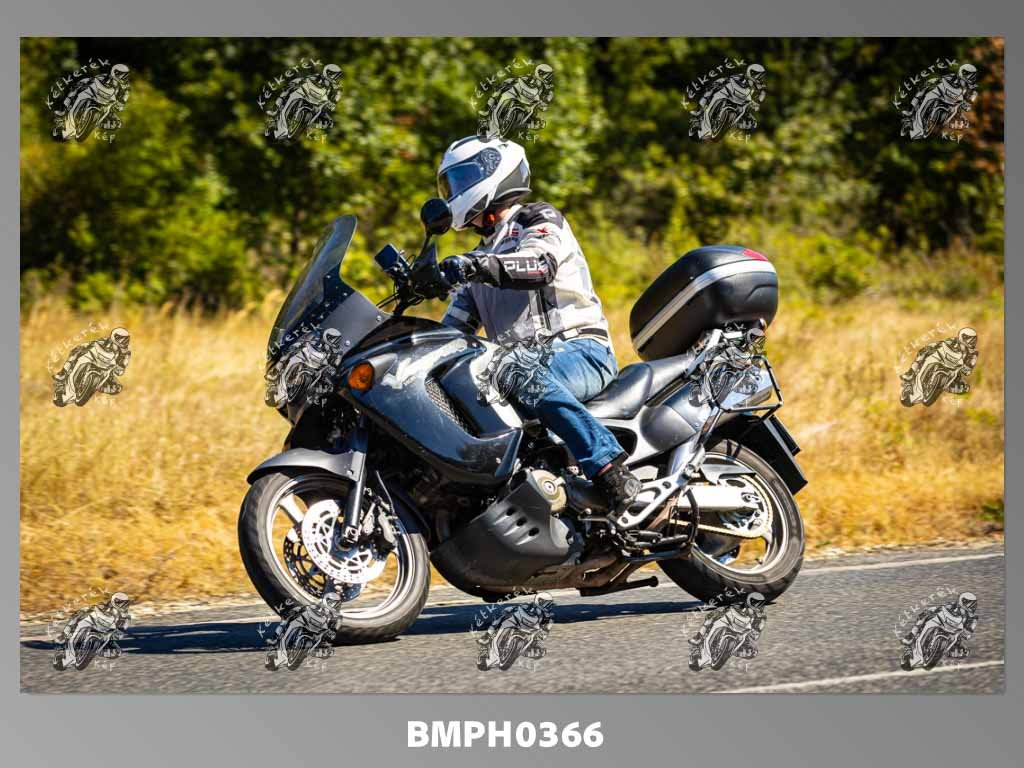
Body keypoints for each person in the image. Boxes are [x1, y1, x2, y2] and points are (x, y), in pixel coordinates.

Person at [435, 135, 640, 512]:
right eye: (451, 184)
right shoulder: (480, 256)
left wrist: (474, 266)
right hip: (526, 366)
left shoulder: (536, 219)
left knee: (512, 369)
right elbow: (453, 332)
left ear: (495, 173)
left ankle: (608, 467)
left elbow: (539, 266)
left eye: (463, 180)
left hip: (581, 351)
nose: (456, 192)